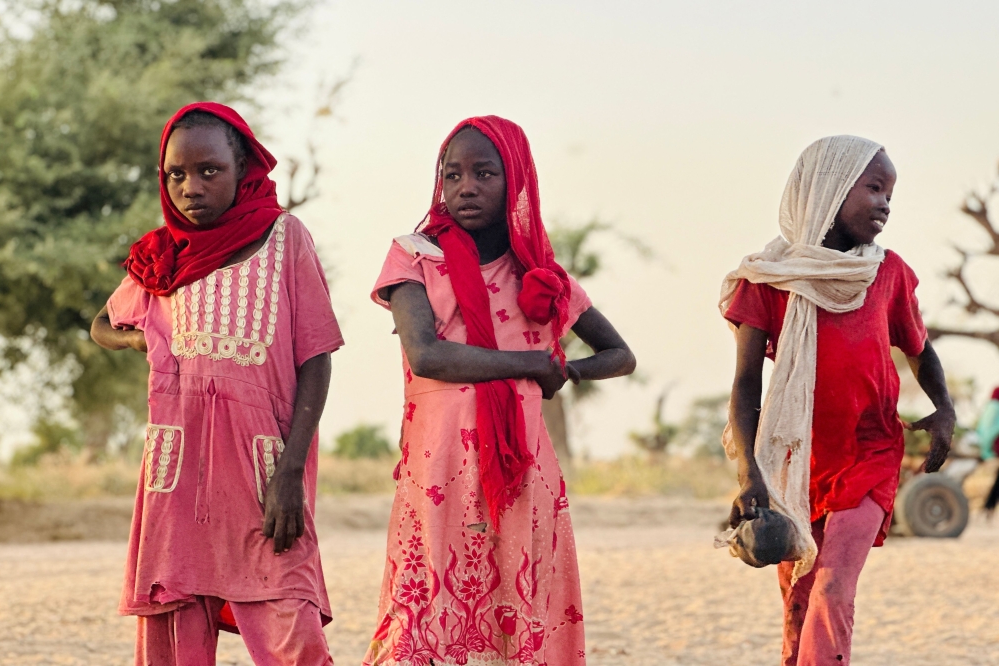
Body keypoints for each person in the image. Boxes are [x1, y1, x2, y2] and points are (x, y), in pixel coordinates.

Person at [364, 116, 635, 666]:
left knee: (518, 604)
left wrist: (570, 372)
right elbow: (428, 355)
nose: (466, 186)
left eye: (484, 173)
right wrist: (534, 363)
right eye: (452, 175)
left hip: (523, 467)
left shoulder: (540, 275)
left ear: (515, 180)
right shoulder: (413, 256)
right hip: (438, 466)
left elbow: (620, 355)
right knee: (427, 606)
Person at [90, 102, 343, 666]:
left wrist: (291, 473)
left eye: (209, 171)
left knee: (290, 627)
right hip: (175, 470)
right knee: (176, 630)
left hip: (263, 472)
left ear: (243, 170)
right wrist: (143, 341)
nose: (190, 187)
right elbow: (102, 325)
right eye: (176, 174)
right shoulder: (164, 256)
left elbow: (317, 358)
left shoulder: (284, 239)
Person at [721, 136, 955, 666]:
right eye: (874, 188)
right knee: (798, 601)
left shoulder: (886, 273)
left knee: (832, 590)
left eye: (890, 192)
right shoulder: (769, 279)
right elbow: (746, 386)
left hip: (869, 455)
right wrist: (749, 474)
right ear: (826, 188)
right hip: (794, 464)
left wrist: (944, 409)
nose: (885, 203)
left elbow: (920, 350)